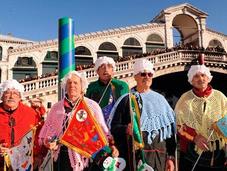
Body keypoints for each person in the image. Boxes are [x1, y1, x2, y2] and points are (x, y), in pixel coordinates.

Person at [39, 71, 119, 171]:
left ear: (82, 86)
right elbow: (48, 133)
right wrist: (49, 142)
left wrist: (111, 145)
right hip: (62, 157)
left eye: (75, 83)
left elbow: (102, 130)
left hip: (86, 157)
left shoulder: (92, 106)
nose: (72, 85)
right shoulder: (56, 108)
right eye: (69, 83)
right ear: (65, 86)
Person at [109, 58, 176, 171]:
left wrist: (170, 157)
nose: (147, 77)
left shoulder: (162, 100)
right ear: (135, 77)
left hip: (159, 158)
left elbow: (169, 132)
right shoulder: (126, 100)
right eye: (143, 74)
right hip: (134, 158)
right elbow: (113, 127)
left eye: (150, 74)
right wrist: (126, 129)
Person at [175, 64, 227, 171]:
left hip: (218, 152)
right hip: (192, 152)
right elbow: (177, 125)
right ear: (191, 80)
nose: (201, 79)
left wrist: (220, 126)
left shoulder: (220, 97)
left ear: (208, 78)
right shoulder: (184, 99)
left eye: (203, 75)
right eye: (196, 76)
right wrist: (195, 137)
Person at [0, 79, 37, 170]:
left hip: (23, 164)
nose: (11, 96)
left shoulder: (30, 113)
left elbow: (38, 138)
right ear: (2, 96)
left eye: (15, 94)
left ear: (20, 97)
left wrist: (38, 156)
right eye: (7, 93)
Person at [86, 56, 129, 124]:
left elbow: (126, 109)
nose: (106, 69)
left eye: (109, 66)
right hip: (96, 125)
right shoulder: (91, 87)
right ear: (97, 71)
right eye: (102, 67)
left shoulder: (121, 85)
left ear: (113, 70)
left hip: (115, 125)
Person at [29, 97, 48, 170]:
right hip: (33, 150)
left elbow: (43, 121)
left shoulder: (41, 111)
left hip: (39, 149)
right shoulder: (30, 112)